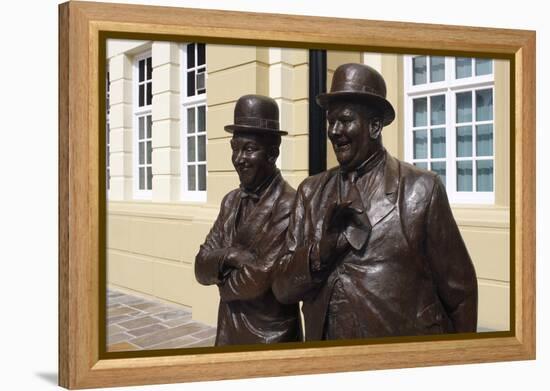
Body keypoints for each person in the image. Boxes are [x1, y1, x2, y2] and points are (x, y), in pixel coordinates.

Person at [273, 63, 478, 341]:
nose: (333, 131)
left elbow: (460, 293)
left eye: (344, 120)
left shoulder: (421, 189)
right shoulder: (310, 193)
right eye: (330, 121)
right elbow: (283, 287)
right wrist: (321, 251)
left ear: (374, 125)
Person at [195, 94, 301, 346]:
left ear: (272, 154)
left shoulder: (290, 203)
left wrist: (221, 282)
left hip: (271, 335)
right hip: (229, 329)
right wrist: (230, 256)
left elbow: (255, 280)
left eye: (249, 149)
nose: (239, 158)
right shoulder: (230, 201)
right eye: (235, 148)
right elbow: (200, 267)